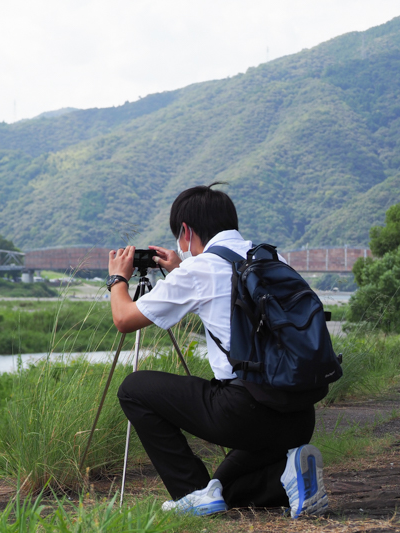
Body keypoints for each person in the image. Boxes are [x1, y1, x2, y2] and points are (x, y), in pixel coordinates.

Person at [106, 183, 329, 517]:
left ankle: (192, 494)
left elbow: (124, 319)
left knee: (134, 389)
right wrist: (180, 270)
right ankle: (291, 475)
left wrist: (117, 279)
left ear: (185, 231)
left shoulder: (199, 269)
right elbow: (225, 292)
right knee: (228, 490)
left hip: (245, 411)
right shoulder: (270, 257)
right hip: (297, 413)